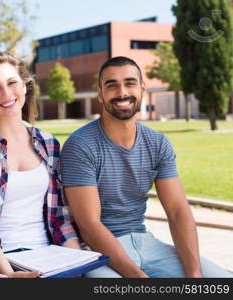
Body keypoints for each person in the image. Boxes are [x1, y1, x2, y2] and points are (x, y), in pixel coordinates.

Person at [60, 56, 232, 278]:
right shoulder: (81, 145)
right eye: (112, 86)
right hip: (97, 253)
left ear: (142, 89)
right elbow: (90, 227)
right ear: (100, 94)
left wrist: (194, 275)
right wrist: (140, 279)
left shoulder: (157, 143)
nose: (122, 93)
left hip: (145, 243)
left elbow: (178, 211)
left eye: (130, 83)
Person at [0, 52, 80, 277]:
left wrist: (77, 264)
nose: (6, 94)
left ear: (25, 86)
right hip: (2, 261)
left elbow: (61, 218)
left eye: (12, 83)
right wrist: (9, 275)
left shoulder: (48, 143)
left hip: (49, 256)